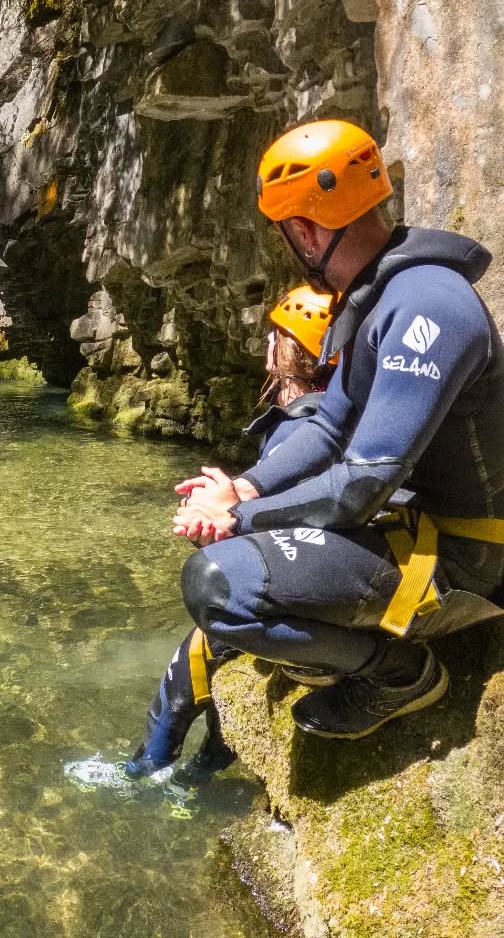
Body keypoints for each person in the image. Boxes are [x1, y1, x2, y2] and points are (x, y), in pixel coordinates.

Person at [172, 119, 504, 740]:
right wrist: (245, 488)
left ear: (302, 229)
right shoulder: (383, 298)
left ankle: (401, 675)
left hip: (464, 557)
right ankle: (340, 645)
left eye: (284, 236)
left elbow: (365, 482)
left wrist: (236, 520)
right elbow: (328, 427)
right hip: (416, 526)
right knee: (230, 556)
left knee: (216, 585)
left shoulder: (425, 304)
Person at [122, 286, 338, 786]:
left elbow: (293, 528)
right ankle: (194, 783)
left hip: (280, 587)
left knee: (183, 681)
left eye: (275, 336)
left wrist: (217, 530)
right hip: (314, 582)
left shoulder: (301, 428)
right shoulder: (334, 416)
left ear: (283, 352)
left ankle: (137, 776)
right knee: (222, 699)